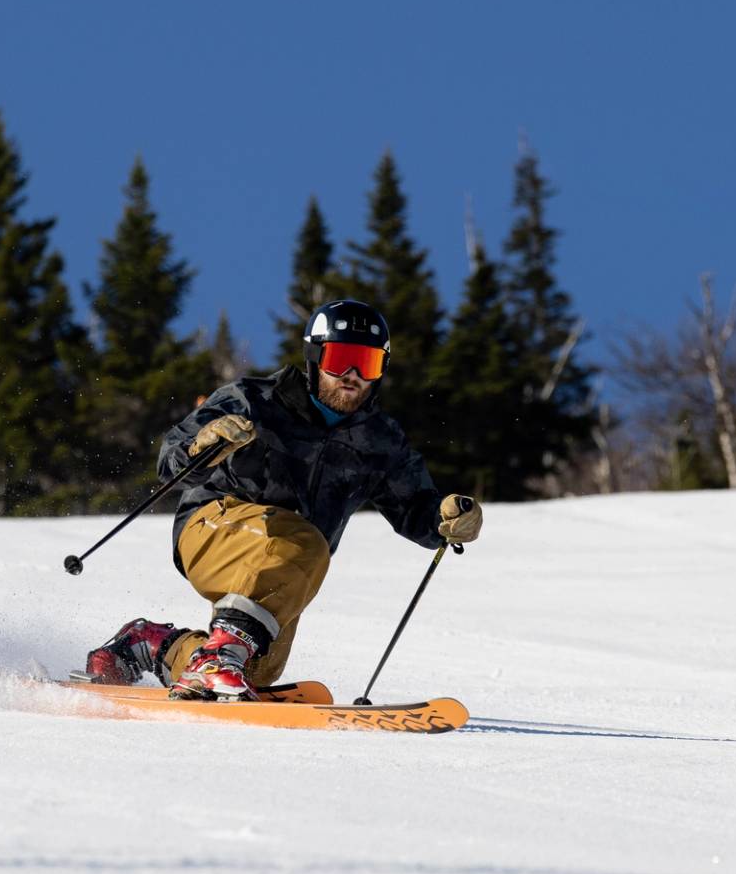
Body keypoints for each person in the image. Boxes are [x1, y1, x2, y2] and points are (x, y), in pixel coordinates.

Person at [81, 299, 483, 701]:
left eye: (368, 364)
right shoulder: (255, 400)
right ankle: (218, 661)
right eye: (340, 359)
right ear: (314, 357)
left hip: (286, 565)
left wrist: (444, 520)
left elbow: (417, 510)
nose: (353, 375)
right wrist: (202, 445)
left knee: (257, 667)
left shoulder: (379, 440)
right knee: (303, 543)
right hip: (211, 529)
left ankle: (151, 645)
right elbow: (172, 460)